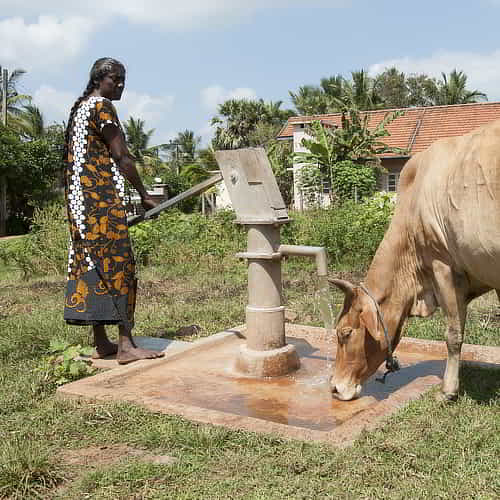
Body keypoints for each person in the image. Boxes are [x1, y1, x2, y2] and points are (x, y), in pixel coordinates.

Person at [62, 57, 164, 364]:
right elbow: (121, 156)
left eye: (122, 80)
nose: (119, 86)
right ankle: (126, 345)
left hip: (79, 204)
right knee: (119, 265)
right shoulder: (101, 106)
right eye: (114, 80)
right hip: (99, 201)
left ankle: (101, 342)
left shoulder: (79, 108)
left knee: (92, 264)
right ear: (98, 81)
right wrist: (145, 194)